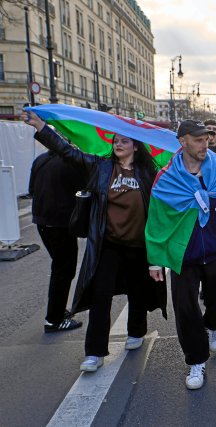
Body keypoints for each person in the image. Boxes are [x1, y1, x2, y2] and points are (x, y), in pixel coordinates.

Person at [22, 110, 167, 373]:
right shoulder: (101, 167)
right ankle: (94, 352)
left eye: (124, 140)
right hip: (107, 245)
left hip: (139, 246)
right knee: (100, 297)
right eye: (115, 141)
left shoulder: (149, 172)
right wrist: (42, 127)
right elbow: (69, 152)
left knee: (138, 292)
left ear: (135, 145)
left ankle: (136, 331)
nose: (118, 144)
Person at [146, 119, 216, 390]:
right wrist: (154, 258)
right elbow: (157, 218)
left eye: (207, 138)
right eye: (198, 139)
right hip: (183, 253)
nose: (204, 143)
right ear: (182, 141)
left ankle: (212, 326)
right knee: (185, 308)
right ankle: (196, 360)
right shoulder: (166, 177)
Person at [29, 149, 85, 333]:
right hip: (61, 222)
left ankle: (58, 311)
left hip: (42, 220)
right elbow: (84, 192)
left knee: (60, 268)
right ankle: (55, 319)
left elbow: (31, 190)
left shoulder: (40, 160)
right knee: (63, 270)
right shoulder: (72, 162)